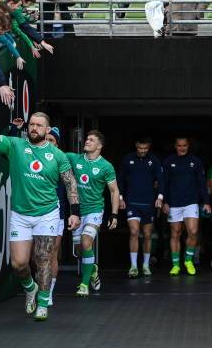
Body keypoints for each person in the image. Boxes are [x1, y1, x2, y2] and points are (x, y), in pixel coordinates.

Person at [0, 87, 80, 321]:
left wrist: (74, 212)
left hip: (47, 214)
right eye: (31, 124)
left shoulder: (58, 156)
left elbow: (70, 184)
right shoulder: (15, 146)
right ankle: (30, 288)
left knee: (42, 259)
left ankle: (43, 303)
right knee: (19, 264)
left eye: (38, 125)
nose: (33, 128)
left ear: (47, 130)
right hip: (21, 214)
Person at [66, 130, 120, 297]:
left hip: (95, 210)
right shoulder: (75, 158)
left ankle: (83, 284)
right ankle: (93, 269)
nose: (87, 141)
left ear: (99, 146)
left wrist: (114, 214)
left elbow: (114, 191)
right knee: (79, 251)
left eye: (91, 140)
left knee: (86, 241)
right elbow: (54, 152)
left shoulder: (106, 166)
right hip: (77, 211)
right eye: (87, 139)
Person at [162, 137, 211, 276]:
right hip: (173, 203)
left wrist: (206, 202)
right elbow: (164, 182)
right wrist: (164, 200)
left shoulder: (195, 161)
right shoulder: (169, 161)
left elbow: (202, 183)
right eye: (179, 145)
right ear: (175, 146)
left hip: (191, 202)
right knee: (175, 233)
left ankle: (188, 260)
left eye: (184, 145)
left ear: (188, 146)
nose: (182, 148)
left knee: (193, 232)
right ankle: (176, 264)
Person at [118, 137, 164, 278]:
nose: (143, 151)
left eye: (145, 148)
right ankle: (133, 267)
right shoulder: (128, 159)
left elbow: (161, 179)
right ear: (136, 146)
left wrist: (160, 197)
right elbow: (120, 179)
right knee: (134, 232)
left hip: (149, 203)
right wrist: (120, 198)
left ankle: (145, 265)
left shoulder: (154, 160)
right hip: (132, 202)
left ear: (149, 147)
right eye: (140, 148)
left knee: (148, 235)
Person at [44, 127, 68, 307]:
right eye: (46, 139)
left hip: (56, 214)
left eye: (52, 140)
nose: (48, 142)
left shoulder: (61, 160)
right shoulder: (31, 157)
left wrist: (75, 213)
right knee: (33, 257)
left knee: (51, 253)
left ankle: (48, 293)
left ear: (57, 144)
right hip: (32, 213)